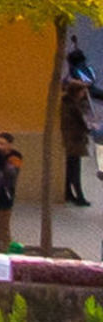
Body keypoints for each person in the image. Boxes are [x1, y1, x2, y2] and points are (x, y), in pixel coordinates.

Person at [64, 52, 93, 210]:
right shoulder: (73, 106)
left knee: (71, 168)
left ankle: (69, 192)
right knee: (75, 169)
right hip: (75, 140)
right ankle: (78, 196)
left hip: (71, 139)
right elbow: (82, 123)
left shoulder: (68, 103)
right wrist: (90, 126)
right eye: (81, 93)